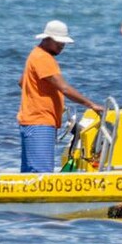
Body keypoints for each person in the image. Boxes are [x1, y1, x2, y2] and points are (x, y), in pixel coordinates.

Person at [17, 19, 104, 173]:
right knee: (41, 174)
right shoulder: (44, 58)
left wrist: (47, 97)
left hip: (31, 121)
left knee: (30, 173)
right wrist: (91, 105)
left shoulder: (35, 54)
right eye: (58, 42)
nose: (61, 46)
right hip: (40, 122)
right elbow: (64, 88)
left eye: (63, 43)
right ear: (47, 39)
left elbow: (21, 82)